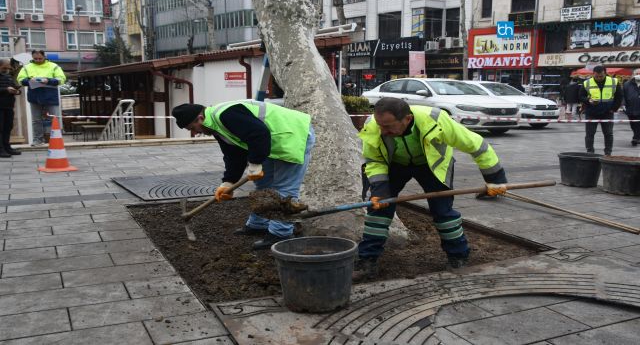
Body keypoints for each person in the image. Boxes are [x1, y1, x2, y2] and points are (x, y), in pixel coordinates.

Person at [353, 97, 508, 280]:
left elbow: (477, 146)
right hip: (395, 164)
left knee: (442, 212)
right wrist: (379, 189)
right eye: (380, 126)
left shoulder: (436, 120)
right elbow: (375, 160)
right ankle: (367, 261)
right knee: (379, 209)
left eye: (388, 126)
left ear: (407, 119)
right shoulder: (374, 126)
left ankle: (458, 256)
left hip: (432, 164)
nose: (383, 132)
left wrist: (495, 180)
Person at [171, 100, 315, 250]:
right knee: (263, 184)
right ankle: (259, 223)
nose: (195, 132)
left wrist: (255, 163)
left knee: (284, 187)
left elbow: (259, 133)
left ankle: (281, 234)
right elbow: (233, 155)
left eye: (192, 128)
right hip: (271, 142)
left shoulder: (226, 115)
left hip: (293, 135)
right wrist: (228, 182)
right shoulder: (216, 126)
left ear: (200, 118)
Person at [17, 50, 67, 146]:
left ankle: (56, 140)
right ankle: (37, 140)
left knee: (54, 119)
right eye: (35, 59)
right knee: (36, 120)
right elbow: (20, 80)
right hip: (34, 96)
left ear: (44, 56)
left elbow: (61, 79)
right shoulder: (27, 67)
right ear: (32, 58)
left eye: (40, 58)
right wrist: (29, 80)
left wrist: (48, 80)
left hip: (50, 96)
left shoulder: (53, 66)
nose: (38, 60)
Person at [579, 65, 622, 155]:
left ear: (605, 73)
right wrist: (588, 100)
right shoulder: (587, 83)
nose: (599, 78)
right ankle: (590, 151)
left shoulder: (614, 81)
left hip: (607, 112)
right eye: (596, 76)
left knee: (608, 133)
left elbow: (619, 96)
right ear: (593, 74)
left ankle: (608, 152)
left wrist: (613, 109)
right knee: (590, 134)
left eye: (601, 76)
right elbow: (580, 96)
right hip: (591, 112)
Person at [0, 58, 22, 158]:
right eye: (5, 67)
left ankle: (7, 147)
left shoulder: (8, 76)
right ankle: (1, 150)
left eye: (8, 67)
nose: (7, 69)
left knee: (8, 127)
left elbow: (14, 87)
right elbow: (5, 89)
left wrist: (17, 91)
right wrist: (6, 89)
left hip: (8, 106)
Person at [622, 68, 640, 146]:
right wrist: (623, 106)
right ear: (633, 75)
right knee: (633, 124)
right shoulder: (627, 84)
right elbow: (623, 96)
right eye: (637, 74)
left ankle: (635, 138)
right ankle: (637, 137)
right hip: (631, 108)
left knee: (638, 124)